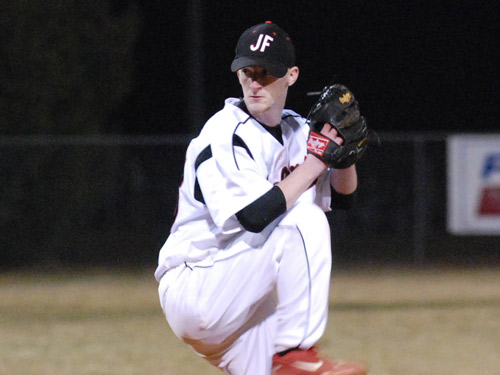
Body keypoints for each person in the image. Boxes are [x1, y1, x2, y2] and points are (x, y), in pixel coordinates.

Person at [155, 21, 368, 375]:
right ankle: (296, 354)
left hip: (244, 298)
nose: (254, 81)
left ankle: (289, 360)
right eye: (247, 71)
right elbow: (254, 216)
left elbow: (344, 200)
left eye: (266, 73)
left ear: (291, 75)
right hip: (199, 282)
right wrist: (319, 159)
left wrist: (345, 154)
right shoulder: (225, 133)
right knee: (303, 218)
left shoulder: (296, 129)